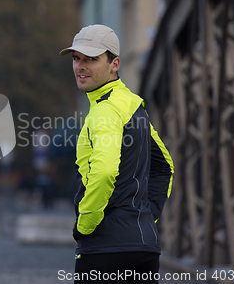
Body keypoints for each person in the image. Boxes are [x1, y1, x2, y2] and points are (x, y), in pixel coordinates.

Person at [59, 25, 174, 283]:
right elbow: (164, 166)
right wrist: (147, 215)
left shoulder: (105, 111)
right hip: (144, 246)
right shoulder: (133, 105)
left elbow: (105, 170)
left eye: (91, 59)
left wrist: (85, 225)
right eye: (76, 58)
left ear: (115, 64)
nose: (80, 66)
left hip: (105, 249)